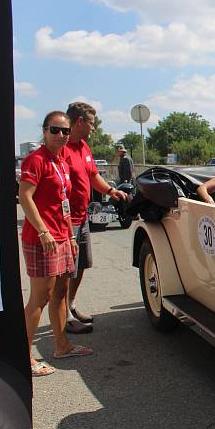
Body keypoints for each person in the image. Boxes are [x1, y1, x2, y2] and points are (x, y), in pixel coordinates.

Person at [18, 111, 94, 377]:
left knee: (61, 293)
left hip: (62, 236)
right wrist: (43, 232)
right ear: (44, 130)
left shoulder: (60, 161)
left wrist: (71, 236)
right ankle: (25, 358)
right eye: (55, 130)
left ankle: (62, 345)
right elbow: (25, 197)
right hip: (43, 240)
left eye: (64, 131)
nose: (60, 135)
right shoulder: (36, 159)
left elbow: (64, 202)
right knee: (40, 298)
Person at [64, 102, 128, 332]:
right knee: (65, 270)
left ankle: (70, 305)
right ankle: (63, 317)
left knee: (80, 265)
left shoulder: (84, 147)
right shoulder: (61, 146)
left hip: (82, 217)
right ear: (79, 121)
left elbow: (92, 176)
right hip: (64, 221)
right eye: (91, 123)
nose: (94, 128)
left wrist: (111, 191)